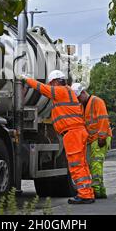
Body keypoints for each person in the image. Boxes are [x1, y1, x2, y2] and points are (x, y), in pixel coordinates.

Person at [17, 70, 95, 204]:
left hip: (73, 133)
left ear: (56, 81)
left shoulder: (61, 91)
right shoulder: (68, 91)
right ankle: (87, 193)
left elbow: (42, 88)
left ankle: (84, 195)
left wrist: (26, 79)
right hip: (77, 132)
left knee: (76, 165)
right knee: (81, 164)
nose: (51, 85)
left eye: (51, 83)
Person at [71, 83, 112, 199]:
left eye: (79, 97)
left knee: (96, 164)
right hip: (93, 139)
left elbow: (103, 120)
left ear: (83, 92)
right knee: (92, 164)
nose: (78, 100)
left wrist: (102, 138)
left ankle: (96, 190)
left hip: (100, 138)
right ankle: (101, 190)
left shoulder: (96, 101)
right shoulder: (83, 105)